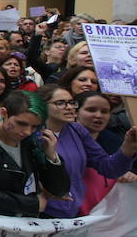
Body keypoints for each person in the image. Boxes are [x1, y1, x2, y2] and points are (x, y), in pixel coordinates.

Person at [0, 90, 71, 217]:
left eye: (34, 127)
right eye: (21, 124)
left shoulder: (34, 142)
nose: (27, 132)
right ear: (4, 113)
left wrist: (52, 157)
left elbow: (60, 191)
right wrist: (32, 204)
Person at [35, 84, 135, 220]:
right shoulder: (31, 133)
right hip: (41, 213)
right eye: (60, 103)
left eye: (71, 102)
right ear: (42, 105)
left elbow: (109, 168)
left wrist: (128, 147)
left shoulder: (77, 130)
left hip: (73, 211)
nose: (69, 107)